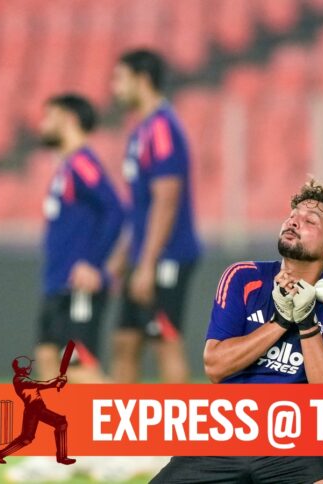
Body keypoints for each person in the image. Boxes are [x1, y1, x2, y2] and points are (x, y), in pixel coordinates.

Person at [152, 179, 323, 484]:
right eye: (293, 215)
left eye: (309, 221)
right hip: (227, 429)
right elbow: (215, 367)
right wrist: (280, 322)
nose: (293, 222)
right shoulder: (243, 277)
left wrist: (306, 322)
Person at [109, 49, 201, 384]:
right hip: (144, 255)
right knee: (125, 342)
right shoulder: (142, 131)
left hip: (167, 255)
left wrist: (148, 263)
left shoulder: (161, 129)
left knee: (165, 341)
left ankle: (179, 419)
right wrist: (124, 256)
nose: (114, 87)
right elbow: (141, 207)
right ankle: (119, 418)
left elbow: (166, 199)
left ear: (143, 80)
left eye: (120, 78)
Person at [35, 94, 123, 383]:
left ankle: (134, 411)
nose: (43, 124)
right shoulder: (67, 166)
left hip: (77, 286)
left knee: (78, 368)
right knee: (48, 362)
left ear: (70, 120)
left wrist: (93, 264)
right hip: (57, 284)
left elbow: (115, 210)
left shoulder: (82, 164)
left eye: (50, 116)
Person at [0, 356, 74, 465]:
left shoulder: (23, 378)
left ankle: (1, 454)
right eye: (28, 366)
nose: (30, 367)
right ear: (23, 368)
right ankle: (62, 458)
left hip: (37, 408)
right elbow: (40, 384)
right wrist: (56, 381)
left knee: (27, 438)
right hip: (34, 409)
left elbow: (44, 384)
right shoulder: (20, 380)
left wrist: (57, 382)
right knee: (59, 423)